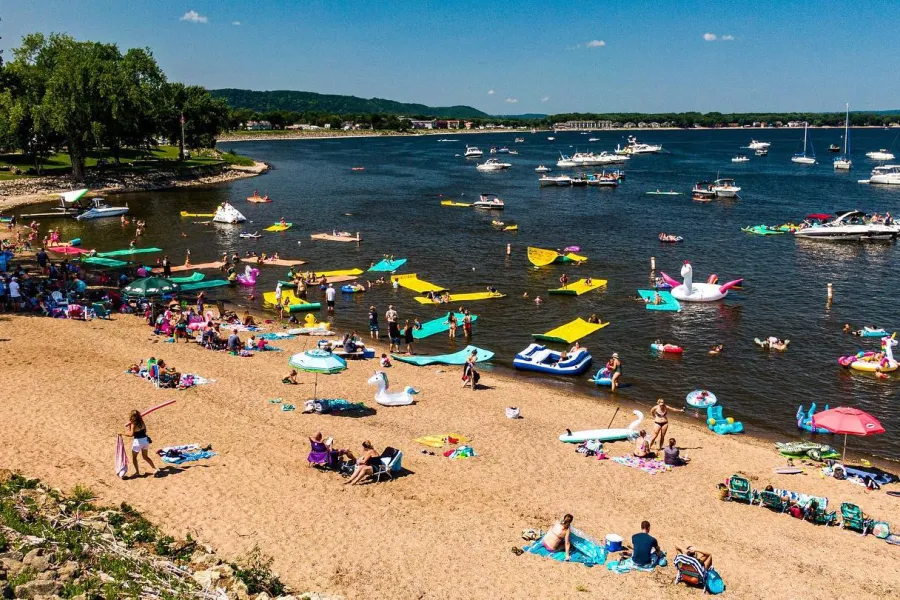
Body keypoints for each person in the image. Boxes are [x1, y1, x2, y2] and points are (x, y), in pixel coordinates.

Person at [125, 410, 156, 478]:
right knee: (145, 457)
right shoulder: (142, 422)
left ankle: (137, 472)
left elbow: (131, 434)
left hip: (138, 442)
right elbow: (145, 430)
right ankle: (155, 469)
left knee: (134, 458)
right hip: (145, 441)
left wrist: (122, 433)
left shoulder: (133, 424)